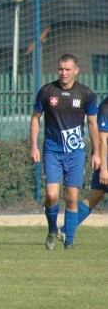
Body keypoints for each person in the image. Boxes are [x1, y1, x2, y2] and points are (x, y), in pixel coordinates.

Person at [29, 54, 99, 250]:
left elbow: (93, 124)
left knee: (71, 197)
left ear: (76, 70)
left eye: (68, 69)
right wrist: (33, 146)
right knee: (51, 195)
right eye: (60, 69)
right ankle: (52, 231)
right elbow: (35, 118)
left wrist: (96, 152)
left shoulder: (85, 94)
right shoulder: (47, 91)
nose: (64, 73)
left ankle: (69, 243)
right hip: (52, 150)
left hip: (76, 152)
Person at [57, 94, 108, 244]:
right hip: (106, 160)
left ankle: (66, 230)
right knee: (95, 196)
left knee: (96, 195)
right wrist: (104, 168)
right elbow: (102, 140)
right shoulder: (105, 108)